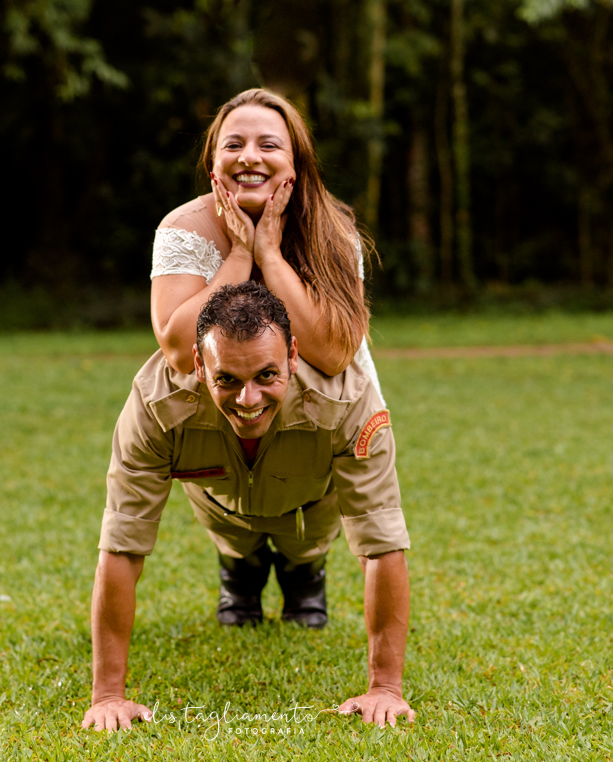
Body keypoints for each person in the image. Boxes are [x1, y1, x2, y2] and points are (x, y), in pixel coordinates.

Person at [83, 282, 413, 732]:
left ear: (293, 356)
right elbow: (122, 545)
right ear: (199, 365)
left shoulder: (349, 399)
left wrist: (385, 689)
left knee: (307, 550)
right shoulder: (155, 405)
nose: (248, 400)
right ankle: (241, 569)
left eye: (266, 376)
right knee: (238, 547)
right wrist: (107, 696)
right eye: (227, 380)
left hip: (311, 500)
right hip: (220, 499)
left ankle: (305, 575)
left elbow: (380, 543)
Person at [150, 87, 385, 395]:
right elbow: (180, 353)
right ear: (213, 164)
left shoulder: (333, 230)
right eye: (233, 145)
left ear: (296, 164)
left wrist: (269, 256)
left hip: (329, 420)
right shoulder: (183, 228)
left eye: (269, 145)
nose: (248, 157)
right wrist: (240, 256)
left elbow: (334, 355)